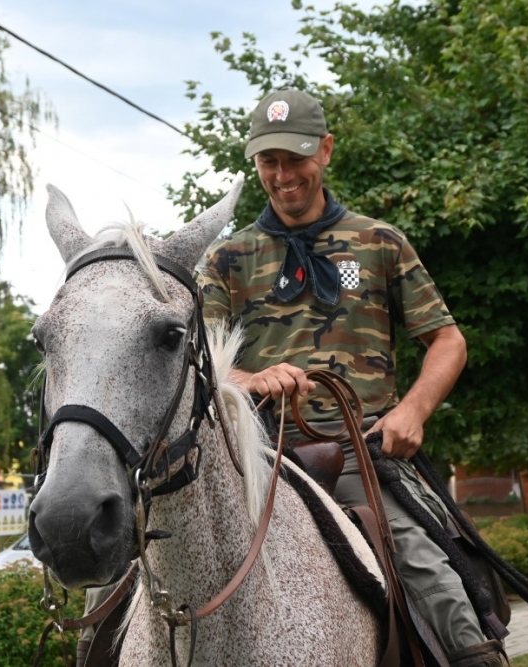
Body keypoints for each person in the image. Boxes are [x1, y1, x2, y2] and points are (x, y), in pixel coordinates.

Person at [198, 88, 504, 667]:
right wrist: (249, 378)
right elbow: (201, 362)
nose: (283, 175)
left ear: (327, 151)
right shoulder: (225, 260)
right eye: (269, 161)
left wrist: (412, 411)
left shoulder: (380, 243)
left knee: (433, 576)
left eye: (296, 158)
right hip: (257, 460)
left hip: (359, 455)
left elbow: (448, 340)